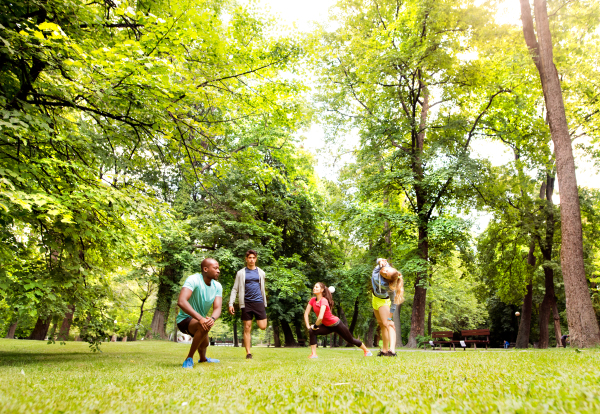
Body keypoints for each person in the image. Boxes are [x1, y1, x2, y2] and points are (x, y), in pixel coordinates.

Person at [304, 282, 373, 359]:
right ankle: (314, 354)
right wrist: (308, 326)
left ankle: (367, 351)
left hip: (336, 324)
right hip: (327, 326)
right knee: (311, 331)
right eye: (314, 286)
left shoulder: (323, 300)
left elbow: (320, 317)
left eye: (316, 287)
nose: (314, 288)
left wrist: (315, 326)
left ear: (322, 290)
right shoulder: (312, 300)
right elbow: (306, 313)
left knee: (350, 340)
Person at [176, 258, 223, 369]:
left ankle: (203, 358)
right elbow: (181, 301)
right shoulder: (193, 279)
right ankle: (189, 358)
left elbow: (217, 308)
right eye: (215, 268)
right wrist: (200, 318)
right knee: (203, 324)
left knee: (205, 343)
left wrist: (212, 318)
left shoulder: (217, 286)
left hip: (200, 320)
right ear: (205, 269)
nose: (218, 271)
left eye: (218, 268)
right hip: (185, 319)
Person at [228, 249, 268, 359]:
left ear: (256, 259)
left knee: (263, 326)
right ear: (246, 259)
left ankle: (256, 318)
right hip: (246, 303)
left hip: (259, 301)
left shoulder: (261, 272)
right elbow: (235, 289)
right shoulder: (241, 273)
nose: (251, 259)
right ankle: (248, 353)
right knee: (247, 327)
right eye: (249, 258)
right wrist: (231, 303)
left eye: (253, 257)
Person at [371, 258, 404, 356]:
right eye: (386, 270)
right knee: (381, 324)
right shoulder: (386, 267)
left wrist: (390, 317)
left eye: (386, 274)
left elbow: (394, 302)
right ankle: (384, 350)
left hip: (383, 301)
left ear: (387, 279)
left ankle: (392, 351)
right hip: (375, 298)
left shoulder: (388, 286)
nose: (384, 271)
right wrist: (380, 261)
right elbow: (380, 260)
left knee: (388, 323)